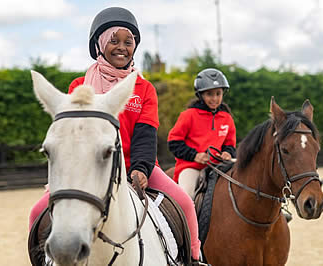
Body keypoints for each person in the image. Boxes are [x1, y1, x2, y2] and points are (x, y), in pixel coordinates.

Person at [28, 7, 206, 265]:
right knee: (36, 212)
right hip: (91, 168)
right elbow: (75, 140)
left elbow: (146, 135)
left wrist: (142, 169)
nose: (122, 47)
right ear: (100, 44)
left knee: (185, 204)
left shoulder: (144, 89)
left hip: (138, 165)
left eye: (128, 42)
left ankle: (194, 258)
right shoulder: (79, 87)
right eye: (114, 41)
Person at [167, 68, 237, 199]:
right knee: (186, 196)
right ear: (200, 95)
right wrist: (195, 155)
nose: (215, 98)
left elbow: (230, 144)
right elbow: (174, 143)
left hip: (219, 168)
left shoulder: (227, 118)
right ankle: (185, 219)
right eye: (209, 94)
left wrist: (228, 153)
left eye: (218, 93)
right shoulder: (188, 115)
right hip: (191, 168)